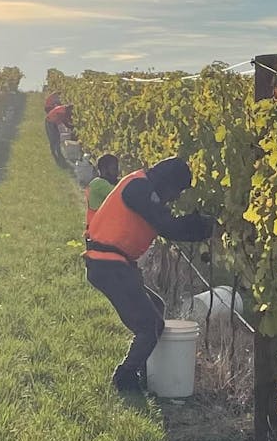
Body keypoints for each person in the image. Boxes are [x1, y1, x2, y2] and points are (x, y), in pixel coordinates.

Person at [84, 156, 214, 392]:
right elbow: (167, 226)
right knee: (151, 324)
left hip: (113, 263)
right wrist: (204, 227)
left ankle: (144, 370)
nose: (175, 198)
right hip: (108, 264)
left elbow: (164, 221)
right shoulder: (139, 189)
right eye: (177, 191)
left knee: (156, 308)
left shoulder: (142, 186)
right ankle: (125, 378)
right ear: (167, 182)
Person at [85, 154, 120, 227]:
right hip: (99, 229)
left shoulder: (102, 182)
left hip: (99, 227)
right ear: (104, 170)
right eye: (114, 169)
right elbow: (120, 194)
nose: (117, 172)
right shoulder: (99, 183)